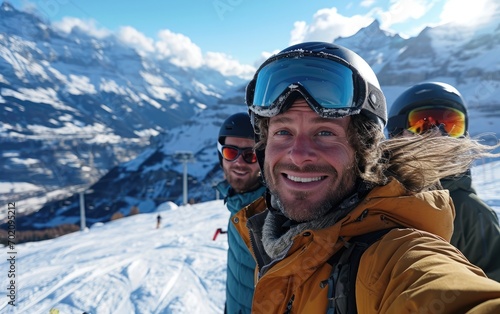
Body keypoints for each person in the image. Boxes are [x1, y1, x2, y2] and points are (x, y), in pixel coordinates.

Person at [233, 41, 500, 313]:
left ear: (364, 150)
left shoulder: (393, 257)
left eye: (325, 132)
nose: (299, 155)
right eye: (283, 132)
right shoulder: (270, 237)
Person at [387, 81, 500, 282]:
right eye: (423, 123)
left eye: (452, 125)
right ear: (398, 130)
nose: (439, 134)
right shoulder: (370, 195)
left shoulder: (471, 213)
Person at [215, 112, 267, 314]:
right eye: (230, 153)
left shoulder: (271, 215)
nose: (239, 162)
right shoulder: (238, 207)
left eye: (250, 155)